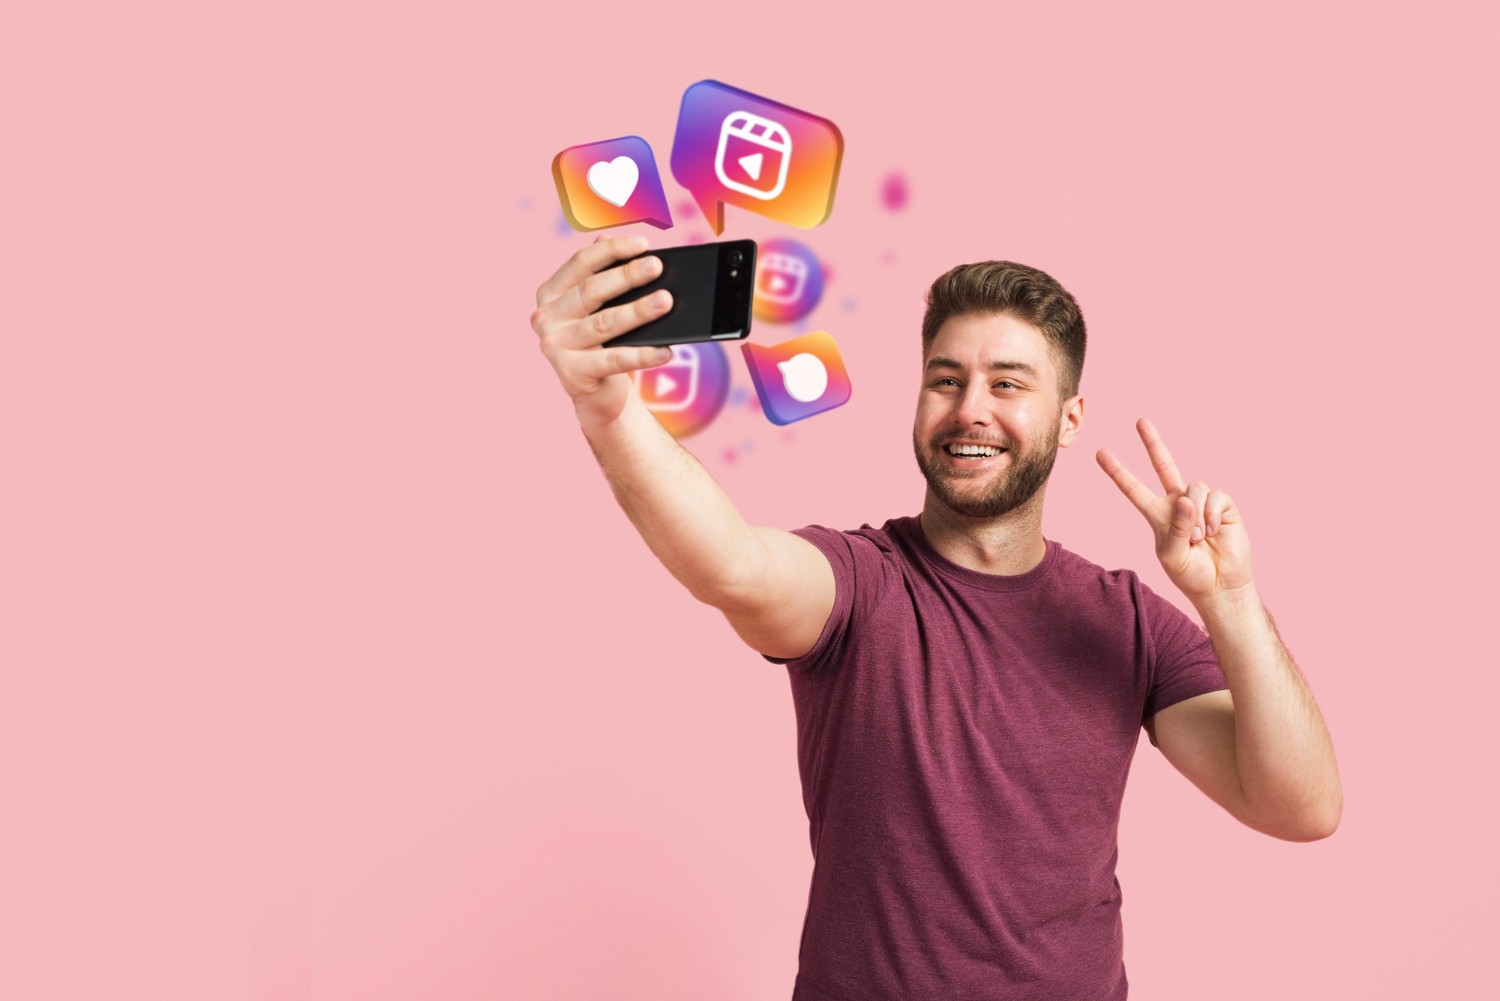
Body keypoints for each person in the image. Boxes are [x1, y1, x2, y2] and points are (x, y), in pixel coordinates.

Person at [531, 235, 1342, 1000]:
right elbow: (734, 563)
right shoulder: (861, 584)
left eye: (1009, 383)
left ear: (1069, 417)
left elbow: (1301, 807)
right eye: (946, 379)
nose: (970, 409)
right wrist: (608, 411)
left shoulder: (1128, 620)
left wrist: (1229, 600)